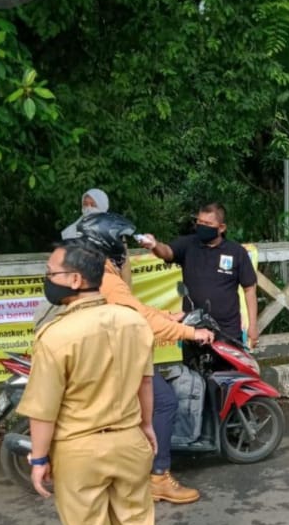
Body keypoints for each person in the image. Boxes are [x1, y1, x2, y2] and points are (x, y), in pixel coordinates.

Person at [15, 240, 171, 525]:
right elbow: (145, 382)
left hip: (79, 449)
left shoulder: (55, 335)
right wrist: (145, 426)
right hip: (130, 441)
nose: (46, 278)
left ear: (75, 280)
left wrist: (39, 458)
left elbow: (43, 409)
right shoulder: (133, 322)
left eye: (50, 272)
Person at [72, 211, 215, 505]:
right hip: (112, 357)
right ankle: (158, 477)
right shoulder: (105, 276)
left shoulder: (94, 269)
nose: (125, 246)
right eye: (121, 240)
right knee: (164, 402)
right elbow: (138, 319)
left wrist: (170, 316)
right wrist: (189, 332)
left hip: (97, 352)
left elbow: (134, 309)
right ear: (107, 240)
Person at [138, 203, 259, 348]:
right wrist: (154, 245)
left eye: (208, 223)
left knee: (229, 371)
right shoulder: (188, 244)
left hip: (228, 331)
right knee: (192, 370)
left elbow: (249, 289)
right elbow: (167, 252)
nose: (202, 226)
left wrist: (253, 326)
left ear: (221, 228)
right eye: (199, 222)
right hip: (193, 328)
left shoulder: (237, 252)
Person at [59, 188, 133, 287]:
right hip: (83, 287)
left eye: (93, 205)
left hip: (111, 284)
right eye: (85, 204)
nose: (89, 208)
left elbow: (125, 265)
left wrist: (127, 290)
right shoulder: (72, 231)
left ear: (103, 206)